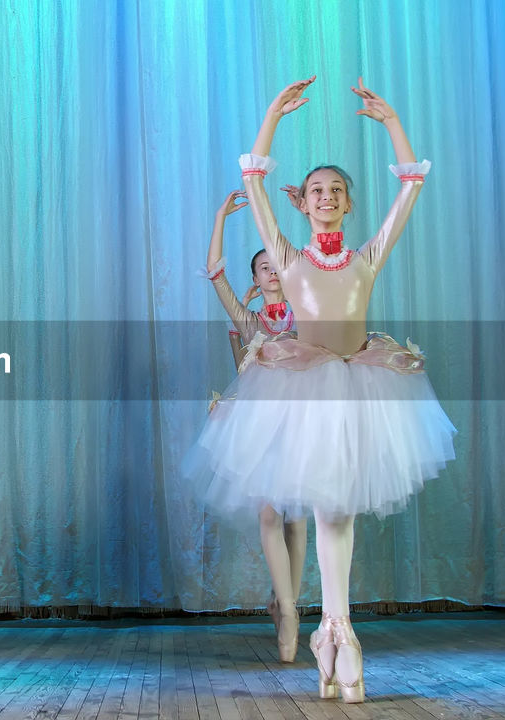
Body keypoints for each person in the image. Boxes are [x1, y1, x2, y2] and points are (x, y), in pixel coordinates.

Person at [185, 77, 456, 703]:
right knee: (331, 511)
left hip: (360, 382)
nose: (326, 197)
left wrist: (391, 123)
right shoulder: (286, 258)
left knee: (339, 511)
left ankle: (338, 637)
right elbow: (253, 183)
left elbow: (410, 187)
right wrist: (272, 116)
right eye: (316, 191)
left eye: (336, 191)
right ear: (303, 205)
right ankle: (339, 640)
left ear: (347, 206)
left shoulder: (366, 257)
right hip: (306, 390)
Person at [198, 189, 305, 663]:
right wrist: (220, 216)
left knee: (298, 516)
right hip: (262, 424)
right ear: (256, 281)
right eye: (263, 268)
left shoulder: (309, 315)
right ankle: (287, 608)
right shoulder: (247, 319)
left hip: (307, 419)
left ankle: (289, 605)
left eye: (278, 266)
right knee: (270, 513)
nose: (272, 273)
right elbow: (215, 272)